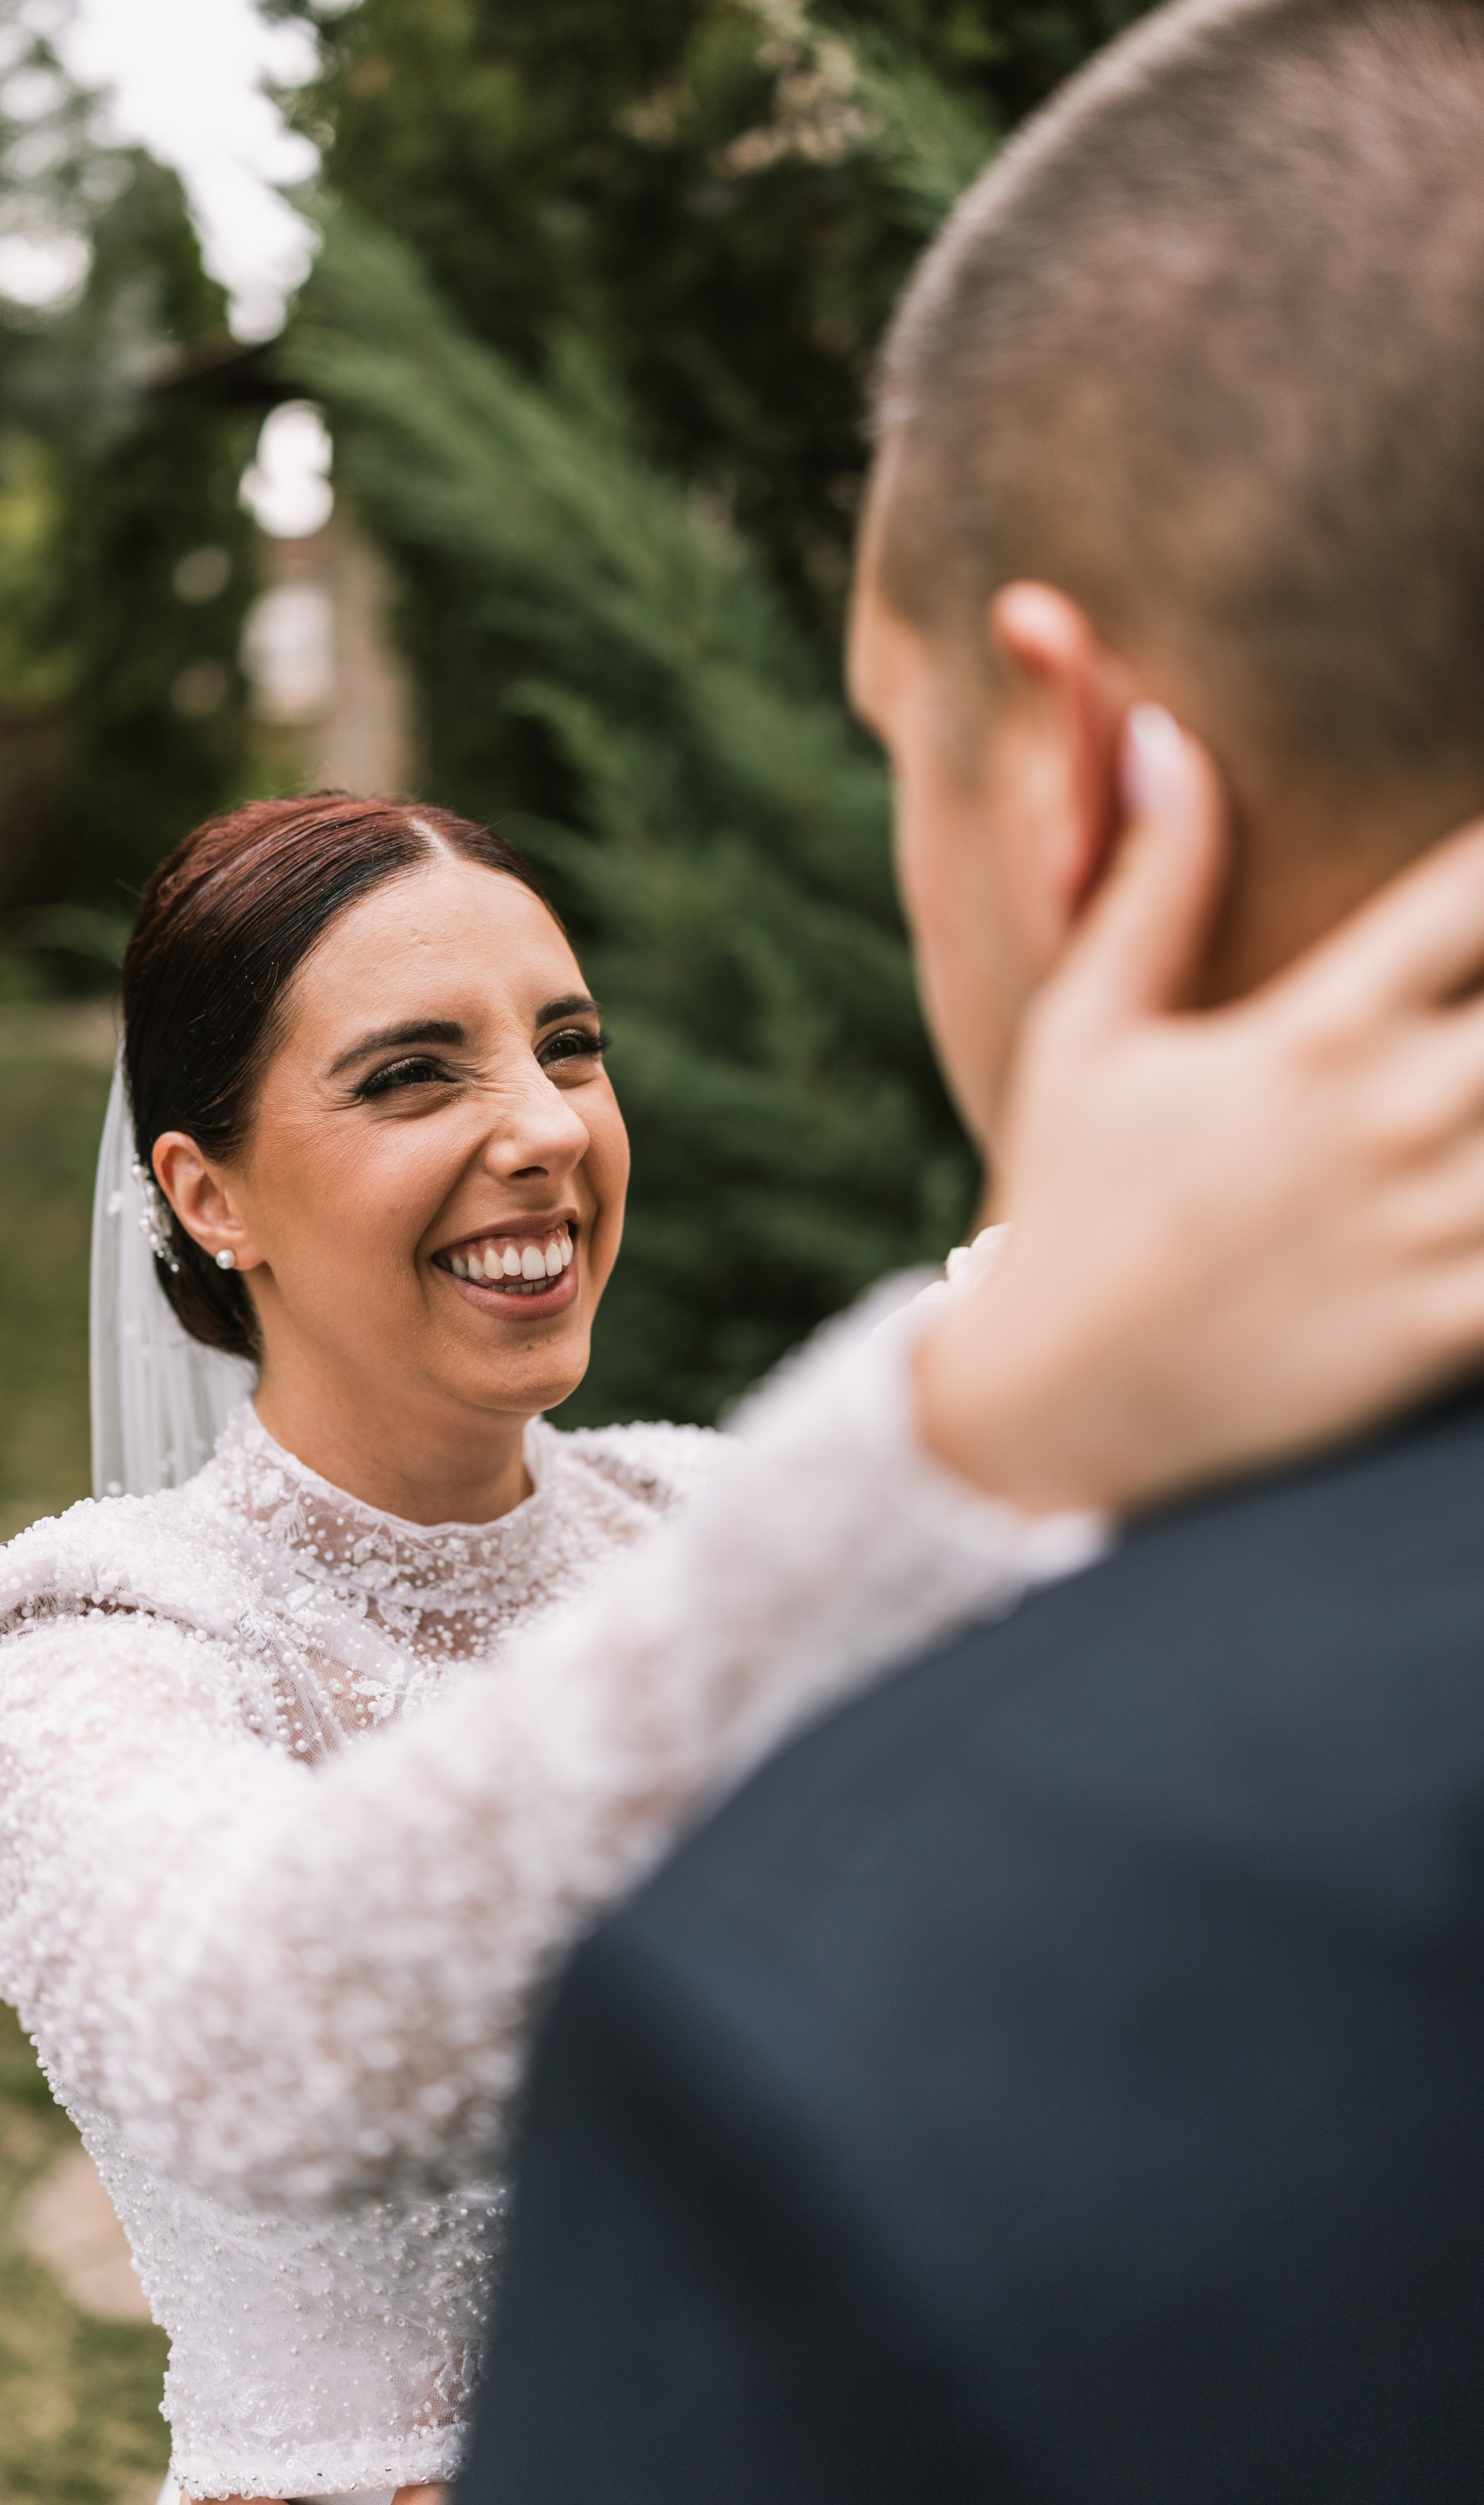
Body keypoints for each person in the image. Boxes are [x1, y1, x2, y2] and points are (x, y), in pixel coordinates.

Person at [453, 3, 1484, 2498]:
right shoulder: (86, 1634)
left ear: (1077, 777)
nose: (535, 1136)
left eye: (900, 750)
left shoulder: (857, 2034)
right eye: (414, 1070)